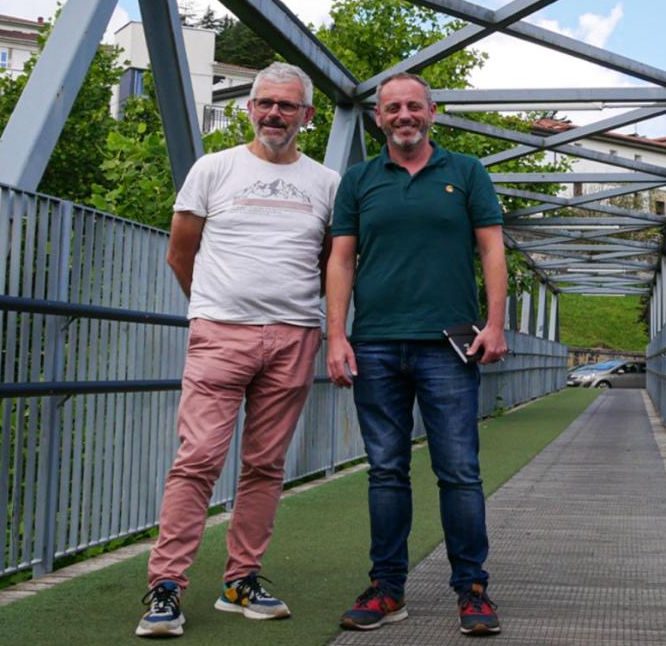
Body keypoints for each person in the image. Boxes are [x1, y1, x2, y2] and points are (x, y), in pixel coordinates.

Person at [136, 63, 339, 638]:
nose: (275, 113)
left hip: (295, 335)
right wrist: (212, 309)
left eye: (287, 106)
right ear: (250, 108)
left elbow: (332, 261)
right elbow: (181, 253)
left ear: (308, 116)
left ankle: (240, 579)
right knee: (197, 459)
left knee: (265, 466)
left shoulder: (327, 183)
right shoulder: (213, 168)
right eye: (265, 103)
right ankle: (166, 587)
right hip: (221, 333)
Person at [326, 72, 508, 637]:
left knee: (459, 471)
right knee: (386, 471)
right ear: (378, 118)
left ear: (432, 112)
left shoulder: (466, 172)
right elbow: (340, 261)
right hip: (376, 343)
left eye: (413, 106)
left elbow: (492, 249)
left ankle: (472, 588)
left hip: (448, 346)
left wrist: (496, 324)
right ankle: (387, 588)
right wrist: (336, 335)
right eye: (391, 108)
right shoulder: (358, 181)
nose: (403, 115)